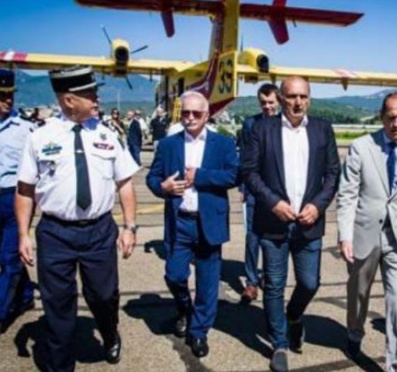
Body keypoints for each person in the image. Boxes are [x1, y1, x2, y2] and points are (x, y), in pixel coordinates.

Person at [15, 66, 139, 370]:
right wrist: (23, 234)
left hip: (99, 231)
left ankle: (109, 334)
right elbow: (25, 189)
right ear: (69, 100)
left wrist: (129, 227)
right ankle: (60, 365)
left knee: (104, 296)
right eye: (90, 93)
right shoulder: (39, 137)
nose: (97, 98)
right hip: (56, 233)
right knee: (57, 306)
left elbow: (125, 182)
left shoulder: (109, 134)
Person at [241, 76, 340, 372]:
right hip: (273, 223)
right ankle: (279, 344)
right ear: (281, 98)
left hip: (309, 223)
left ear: (309, 98)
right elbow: (249, 172)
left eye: (303, 96)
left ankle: (294, 316)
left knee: (310, 283)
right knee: (274, 286)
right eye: (292, 96)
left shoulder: (323, 130)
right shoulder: (262, 129)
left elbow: (333, 174)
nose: (298, 102)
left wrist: (318, 205)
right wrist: (273, 202)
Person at [146, 91, 238, 359]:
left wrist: (201, 176)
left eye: (196, 113)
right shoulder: (167, 144)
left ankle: (198, 332)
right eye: (185, 113)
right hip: (181, 222)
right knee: (175, 274)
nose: (190, 118)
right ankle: (184, 307)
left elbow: (233, 174)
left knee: (208, 282)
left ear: (207, 115)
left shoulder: (223, 144)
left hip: (209, 221)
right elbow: (153, 177)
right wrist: (161, 187)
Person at [337, 92, 397, 371]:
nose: (396, 124)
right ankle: (354, 332)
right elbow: (347, 195)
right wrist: (345, 235)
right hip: (365, 235)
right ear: (381, 116)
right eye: (390, 118)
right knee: (358, 294)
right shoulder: (362, 147)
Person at [0, 69, 35, 333]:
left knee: (9, 259)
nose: (8, 100)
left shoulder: (26, 130)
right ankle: (23, 297)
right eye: (2, 96)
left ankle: (1, 312)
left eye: (10, 95)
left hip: (12, 199)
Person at [239, 83, 279, 303]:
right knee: (252, 237)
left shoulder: (285, 125)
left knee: (273, 238)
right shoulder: (250, 125)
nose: (267, 107)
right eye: (263, 103)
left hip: (277, 192)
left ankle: (268, 276)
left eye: (271, 102)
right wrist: (244, 187)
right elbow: (245, 159)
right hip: (255, 190)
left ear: (279, 102)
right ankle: (251, 282)